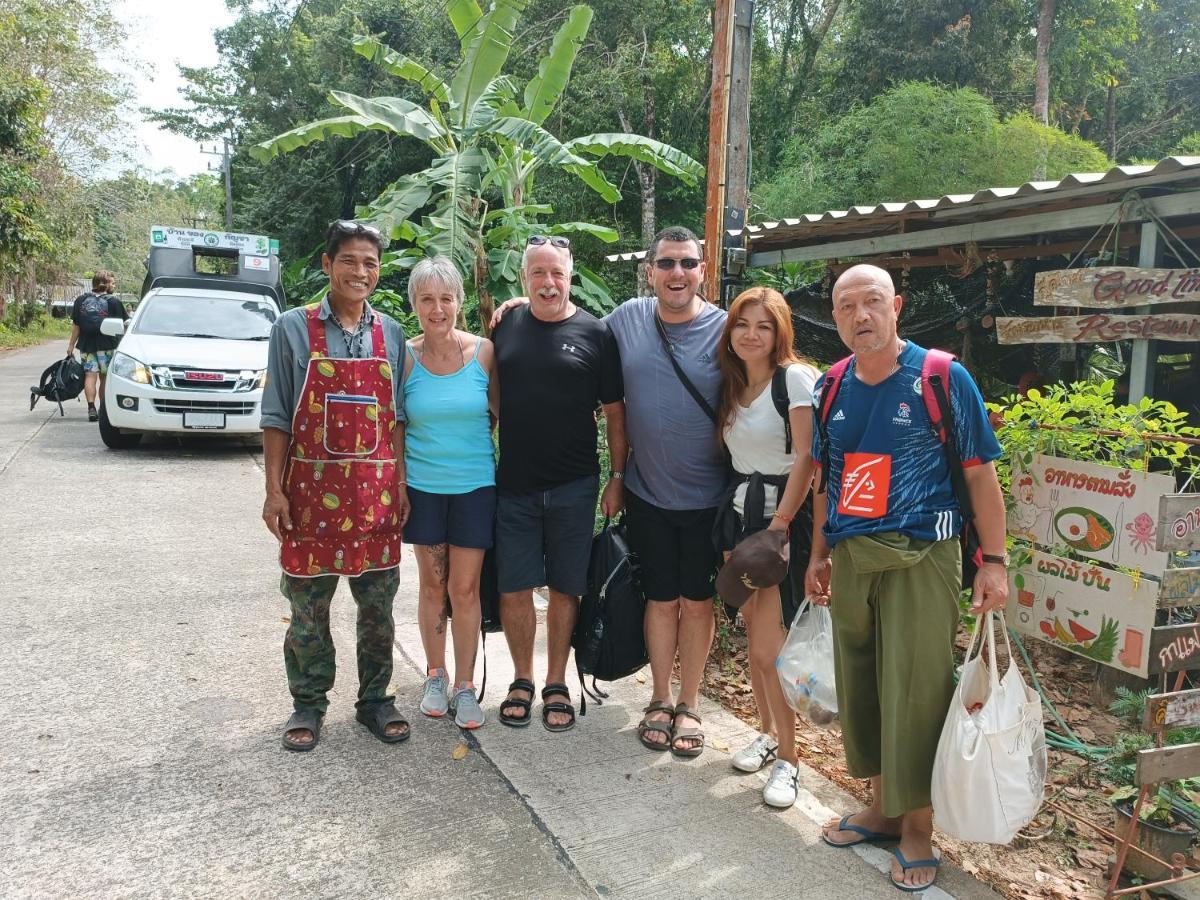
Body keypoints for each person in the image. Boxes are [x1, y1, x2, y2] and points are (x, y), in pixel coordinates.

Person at [806, 264, 1009, 892]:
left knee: (915, 688)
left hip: (925, 554)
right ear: (834, 317)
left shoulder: (940, 376)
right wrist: (818, 554)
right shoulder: (831, 386)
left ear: (897, 306)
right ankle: (882, 808)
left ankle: (917, 827)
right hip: (853, 555)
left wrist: (995, 563)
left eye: (872, 303)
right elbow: (826, 479)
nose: (860, 316)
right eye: (846, 307)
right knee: (862, 680)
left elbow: (979, 475)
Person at [491, 226, 726, 757]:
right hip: (629, 492)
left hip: (700, 493)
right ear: (649, 272)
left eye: (687, 264)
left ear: (702, 270)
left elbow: (616, 413)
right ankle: (649, 698)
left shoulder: (720, 328)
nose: (676, 274)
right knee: (657, 598)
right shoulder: (620, 320)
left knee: (689, 599)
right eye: (666, 264)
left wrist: (612, 477)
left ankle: (678, 703)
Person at [260, 220, 412, 752]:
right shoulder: (292, 329)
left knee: (379, 611)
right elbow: (277, 415)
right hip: (307, 500)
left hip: (374, 500)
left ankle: (375, 699)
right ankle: (307, 702)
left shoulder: (391, 334)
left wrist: (402, 484)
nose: (360, 272)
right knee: (307, 610)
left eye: (370, 263)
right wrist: (274, 491)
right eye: (349, 260)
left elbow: (395, 419)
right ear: (327, 265)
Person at [492, 235, 626, 733]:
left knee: (567, 585)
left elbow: (615, 415)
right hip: (515, 484)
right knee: (514, 586)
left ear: (570, 276)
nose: (549, 282)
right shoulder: (503, 327)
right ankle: (522, 679)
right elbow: (491, 399)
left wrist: (617, 477)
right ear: (524, 279)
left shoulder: (596, 334)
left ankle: (555, 682)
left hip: (575, 485)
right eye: (538, 274)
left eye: (558, 274)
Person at [712, 287, 819, 808]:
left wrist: (779, 527)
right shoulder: (734, 386)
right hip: (739, 519)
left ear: (781, 333)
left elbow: (807, 458)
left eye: (764, 326)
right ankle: (768, 732)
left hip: (779, 526)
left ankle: (791, 761)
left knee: (769, 650)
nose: (751, 334)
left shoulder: (794, 379)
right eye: (742, 324)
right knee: (755, 646)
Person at [400, 256, 498, 730]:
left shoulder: (484, 353)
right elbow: (395, 426)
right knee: (433, 586)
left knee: (464, 588)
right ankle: (434, 676)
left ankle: (465, 684)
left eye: (445, 298)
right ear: (414, 304)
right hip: (423, 488)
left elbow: (499, 416)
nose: (437, 309)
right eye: (426, 300)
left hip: (475, 487)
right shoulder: (405, 355)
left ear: (459, 301)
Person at [66, 271, 128, 421]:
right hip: (107, 346)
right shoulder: (113, 302)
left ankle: (91, 408)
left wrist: (71, 345)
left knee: (90, 376)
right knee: (105, 377)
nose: (114, 285)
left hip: (86, 346)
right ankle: (104, 409)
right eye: (112, 283)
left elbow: (76, 326)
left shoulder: (80, 300)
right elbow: (124, 325)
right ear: (105, 284)